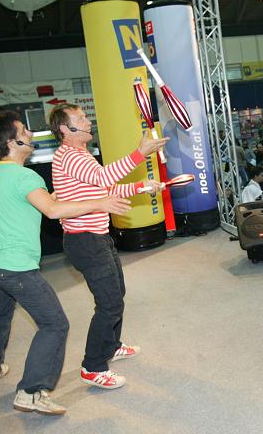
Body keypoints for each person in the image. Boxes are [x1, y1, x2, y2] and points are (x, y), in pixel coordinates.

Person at [0, 110, 131, 415]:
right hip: (15, 267)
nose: (30, 134)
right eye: (24, 130)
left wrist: (69, 191)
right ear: (13, 142)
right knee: (54, 324)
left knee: (0, 314)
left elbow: (45, 200)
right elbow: (52, 211)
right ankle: (31, 392)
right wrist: (100, 202)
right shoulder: (25, 176)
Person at [48, 104, 167, 390]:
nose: (88, 120)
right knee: (110, 303)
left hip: (98, 237)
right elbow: (105, 178)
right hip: (86, 241)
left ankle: (110, 346)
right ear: (65, 129)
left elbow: (104, 189)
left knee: (116, 294)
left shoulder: (81, 154)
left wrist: (141, 187)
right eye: (80, 118)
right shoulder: (68, 156)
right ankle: (92, 367)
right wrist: (140, 153)